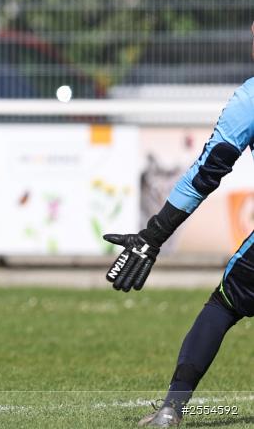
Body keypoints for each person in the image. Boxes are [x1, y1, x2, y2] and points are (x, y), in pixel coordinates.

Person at [104, 22, 254, 427]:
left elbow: (206, 172)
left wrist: (153, 236)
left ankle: (171, 409)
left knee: (223, 305)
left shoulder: (252, 96)